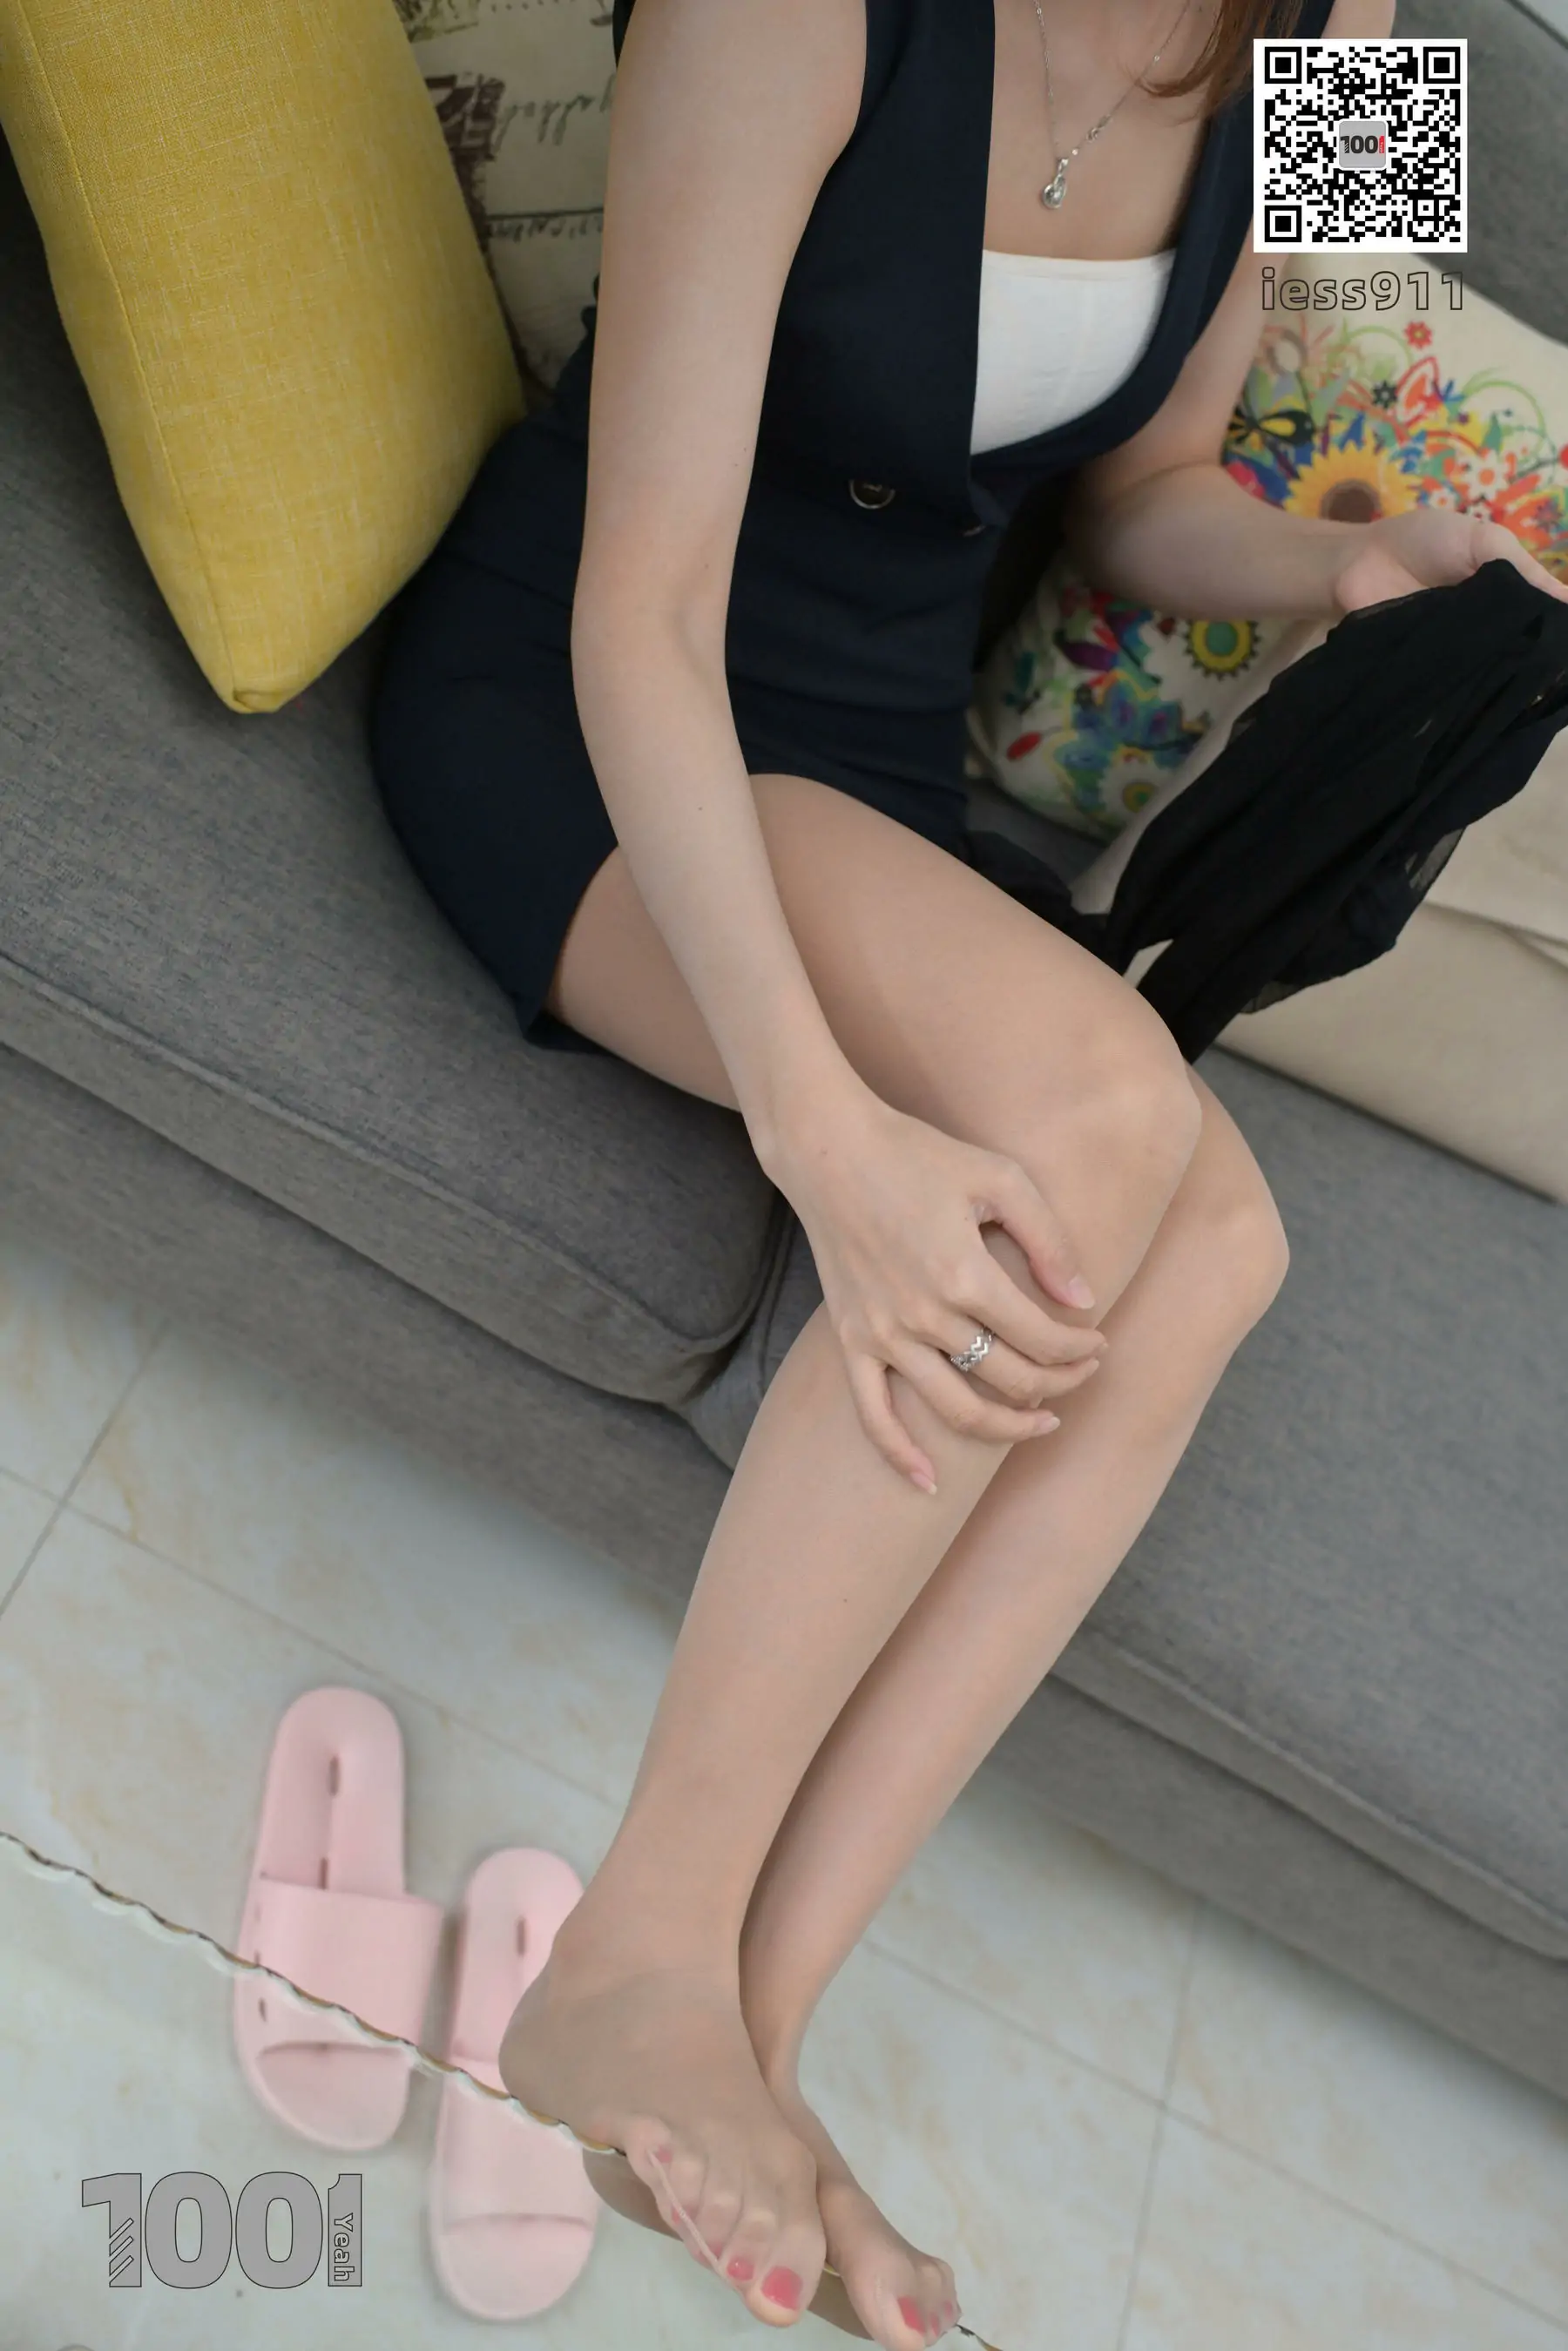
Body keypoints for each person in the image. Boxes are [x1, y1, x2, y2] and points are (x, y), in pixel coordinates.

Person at [366, 1, 1568, 2342]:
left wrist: (1348, 558)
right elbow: (639, 608)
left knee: (1224, 1249)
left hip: (867, 770)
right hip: (597, 715)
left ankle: (754, 2028)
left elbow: (1140, 495)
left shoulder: (1348, 41)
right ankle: (637, 1944)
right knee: (1104, 1117)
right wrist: (827, 1134)